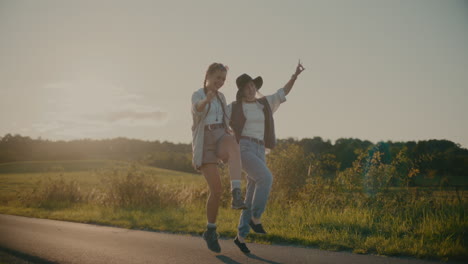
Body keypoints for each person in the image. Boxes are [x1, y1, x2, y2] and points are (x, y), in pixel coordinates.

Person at [229, 61, 305, 253]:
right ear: (241, 91)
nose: (251, 89)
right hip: (244, 148)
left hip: (261, 150)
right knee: (266, 178)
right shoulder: (234, 107)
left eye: (253, 86)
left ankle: (240, 237)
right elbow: (218, 118)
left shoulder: (265, 104)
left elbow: (283, 92)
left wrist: (294, 76)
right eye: (247, 88)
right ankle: (256, 217)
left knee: (252, 192)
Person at [190, 62, 247, 253]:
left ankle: (237, 193)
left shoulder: (222, 97)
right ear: (208, 76)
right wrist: (207, 99)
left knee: (234, 142)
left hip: (221, 135)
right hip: (205, 141)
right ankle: (210, 231)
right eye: (218, 78)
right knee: (216, 190)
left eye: (223, 79)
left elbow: (226, 118)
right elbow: (197, 108)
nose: (220, 82)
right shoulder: (198, 94)